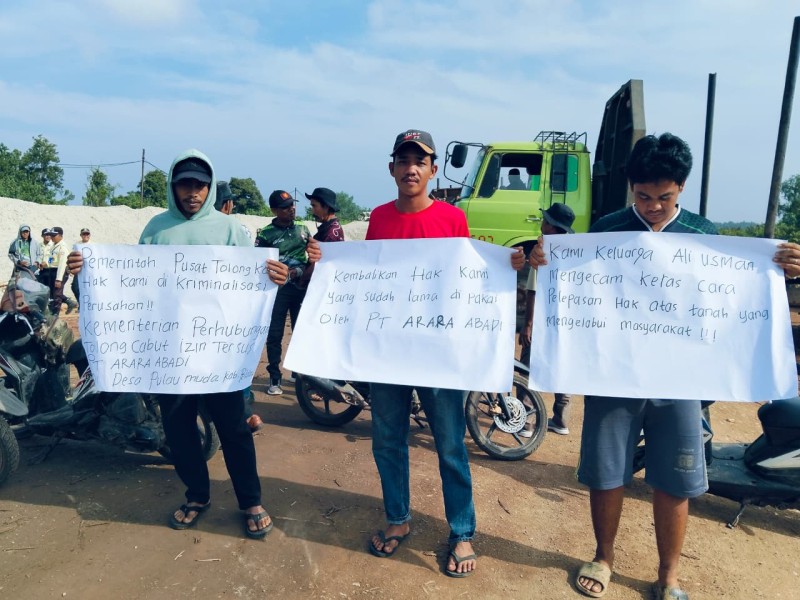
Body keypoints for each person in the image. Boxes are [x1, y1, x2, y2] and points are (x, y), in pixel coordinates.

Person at [68, 149, 304, 539]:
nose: (192, 192)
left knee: (234, 430)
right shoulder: (156, 230)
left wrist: (276, 274)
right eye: (184, 184)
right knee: (178, 432)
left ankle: (250, 500)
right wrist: (86, 271)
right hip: (169, 356)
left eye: (199, 184)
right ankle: (196, 495)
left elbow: (251, 283)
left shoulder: (230, 231)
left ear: (209, 187)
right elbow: (131, 283)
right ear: (172, 187)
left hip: (217, 356)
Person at [530, 133, 716, 599]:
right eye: (643, 196)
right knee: (606, 470)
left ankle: (669, 575)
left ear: (682, 187)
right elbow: (573, 285)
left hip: (679, 380)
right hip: (612, 374)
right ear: (631, 188)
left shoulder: (705, 237)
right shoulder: (607, 230)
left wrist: (783, 267)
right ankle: (604, 556)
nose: (653, 206)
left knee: (674, 480)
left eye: (664, 197)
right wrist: (542, 260)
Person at [365, 129, 525, 577]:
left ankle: (462, 530)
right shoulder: (378, 219)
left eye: (421, 161)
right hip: (389, 353)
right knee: (387, 441)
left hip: (438, 355)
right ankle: (398, 518)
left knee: (451, 445)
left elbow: (470, 278)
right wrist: (325, 259)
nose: (411, 168)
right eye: (404, 159)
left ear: (434, 170)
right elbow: (365, 279)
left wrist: (504, 265)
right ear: (392, 167)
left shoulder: (453, 219)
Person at [518, 203, 575, 437]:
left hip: (543, 320)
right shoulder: (573, 251)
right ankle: (560, 419)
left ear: (550, 225)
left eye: (545, 220)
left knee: (526, 368)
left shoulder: (542, 250)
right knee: (562, 365)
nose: (542, 223)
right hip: (566, 323)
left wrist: (528, 325)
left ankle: (525, 421)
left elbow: (532, 291)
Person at [255, 190, 312, 395]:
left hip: (300, 289)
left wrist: (300, 272)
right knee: (275, 335)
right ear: (274, 210)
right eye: (285, 207)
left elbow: (313, 257)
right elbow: (257, 264)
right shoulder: (265, 234)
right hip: (276, 292)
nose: (291, 209)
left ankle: (299, 376)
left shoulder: (303, 229)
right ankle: (274, 378)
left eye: (292, 205)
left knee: (301, 333)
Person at [215, 181, 261, 432]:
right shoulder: (237, 228)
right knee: (236, 362)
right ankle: (244, 415)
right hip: (232, 310)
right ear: (228, 204)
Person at [47, 227, 77, 315]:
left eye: (54, 235)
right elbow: (51, 259)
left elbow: (62, 265)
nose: (52, 237)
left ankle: (55, 314)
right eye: (51, 235)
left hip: (60, 272)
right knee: (52, 292)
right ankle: (69, 302)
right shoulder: (53, 246)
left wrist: (59, 279)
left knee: (57, 294)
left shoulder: (62, 248)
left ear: (60, 236)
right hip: (52, 270)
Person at [70, 228, 91, 308]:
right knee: (75, 287)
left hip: (89, 270)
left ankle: (88, 304)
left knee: (89, 288)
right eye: (84, 234)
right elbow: (73, 256)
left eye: (87, 234)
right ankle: (81, 303)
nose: (85, 235)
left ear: (89, 235)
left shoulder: (94, 245)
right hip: (79, 269)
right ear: (81, 235)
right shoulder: (77, 245)